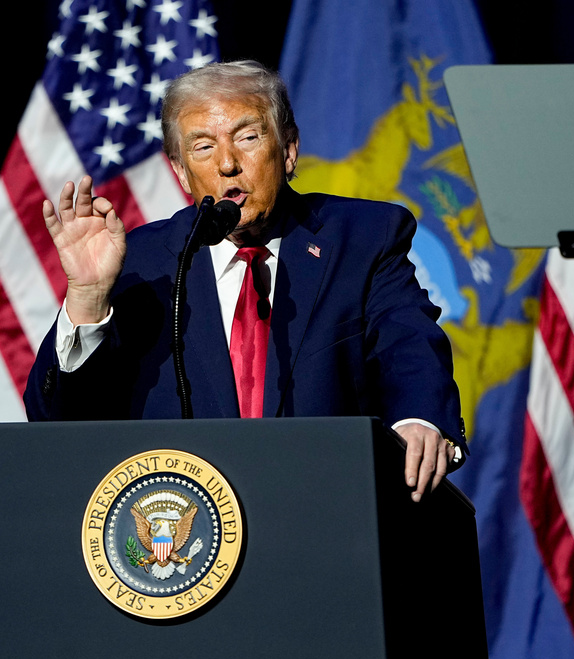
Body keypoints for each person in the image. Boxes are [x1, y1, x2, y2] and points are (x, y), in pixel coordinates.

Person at [24, 60, 467, 502]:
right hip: (183, 539)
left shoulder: (363, 238)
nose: (228, 164)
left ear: (289, 148)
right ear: (180, 171)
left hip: (328, 512)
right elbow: (56, 424)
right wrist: (87, 298)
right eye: (202, 147)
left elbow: (409, 342)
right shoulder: (140, 261)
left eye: (248, 137)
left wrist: (419, 420)